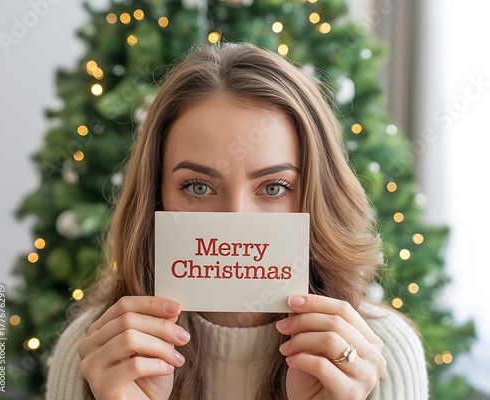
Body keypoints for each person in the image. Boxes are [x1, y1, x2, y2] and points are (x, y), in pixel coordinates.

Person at [45, 42, 428, 400]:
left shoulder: (377, 353)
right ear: (156, 199)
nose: (236, 219)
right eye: (197, 187)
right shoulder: (98, 351)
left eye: (275, 188)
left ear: (315, 195)